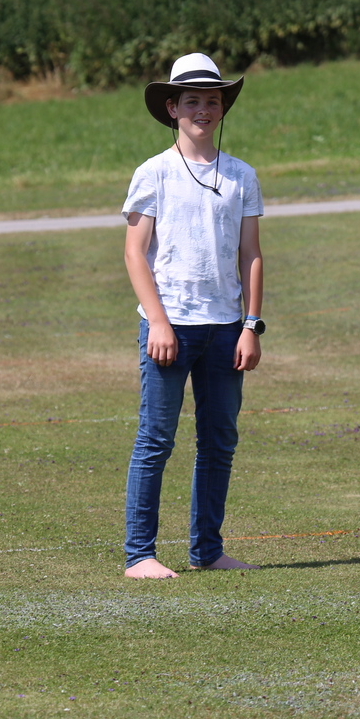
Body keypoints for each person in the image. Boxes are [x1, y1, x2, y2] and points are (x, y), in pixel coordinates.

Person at [121, 53, 266, 579]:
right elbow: (134, 253)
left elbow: (251, 254)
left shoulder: (242, 175)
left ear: (222, 108)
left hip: (226, 329)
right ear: (172, 108)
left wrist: (250, 326)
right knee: (156, 440)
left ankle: (208, 550)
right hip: (171, 327)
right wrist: (159, 322)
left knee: (219, 440)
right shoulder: (154, 172)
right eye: (191, 101)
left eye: (212, 100)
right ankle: (140, 555)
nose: (202, 109)